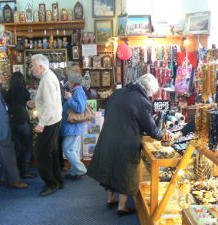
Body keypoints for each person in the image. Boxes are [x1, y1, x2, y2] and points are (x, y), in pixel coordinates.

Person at [87, 73, 162, 216]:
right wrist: (160, 136)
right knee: (126, 174)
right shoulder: (142, 101)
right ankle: (122, 207)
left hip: (109, 137)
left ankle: (110, 199)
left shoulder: (118, 93)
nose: (151, 96)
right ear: (148, 89)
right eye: (151, 93)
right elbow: (151, 129)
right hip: (127, 142)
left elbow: (108, 112)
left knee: (110, 168)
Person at [0, 66, 28, 189]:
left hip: (0, 126)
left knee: (1, 152)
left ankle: (2, 178)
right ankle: (13, 180)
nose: (2, 76)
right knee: (7, 152)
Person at [31, 54, 63, 197]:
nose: (31, 69)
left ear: (40, 66)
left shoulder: (47, 79)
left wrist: (41, 124)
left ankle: (51, 183)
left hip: (49, 122)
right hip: (52, 120)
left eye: (32, 66)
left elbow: (50, 106)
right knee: (51, 152)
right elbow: (49, 102)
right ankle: (57, 181)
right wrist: (36, 103)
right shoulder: (47, 77)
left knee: (41, 154)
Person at [4, 71, 36, 179]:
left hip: (12, 121)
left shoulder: (8, 93)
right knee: (28, 146)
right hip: (23, 120)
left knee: (16, 147)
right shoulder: (24, 92)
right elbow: (30, 106)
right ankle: (25, 171)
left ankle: (16, 171)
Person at [60, 72, 87, 180]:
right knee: (73, 149)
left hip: (73, 126)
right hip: (73, 125)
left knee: (67, 149)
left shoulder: (77, 91)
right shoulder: (77, 90)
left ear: (72, 82)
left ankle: (80, 170)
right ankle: (75, 172)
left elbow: (80, 108)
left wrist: (69, 98)